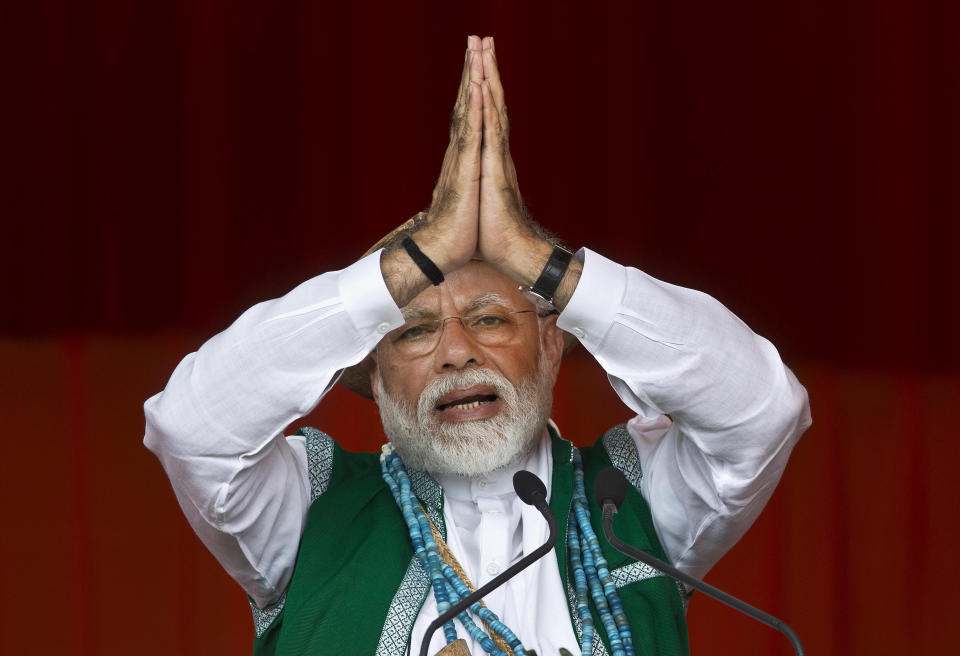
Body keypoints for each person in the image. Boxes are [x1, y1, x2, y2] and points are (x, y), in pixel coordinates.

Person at [144, 35, 811, 656]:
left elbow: (762, 409)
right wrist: (418, 257)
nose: (456, 353)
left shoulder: (628, 501)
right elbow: (193, 428)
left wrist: (543, 263)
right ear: (375, 378)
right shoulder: (312, 511)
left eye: (490, 319)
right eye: (414, 329)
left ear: (551, 347)